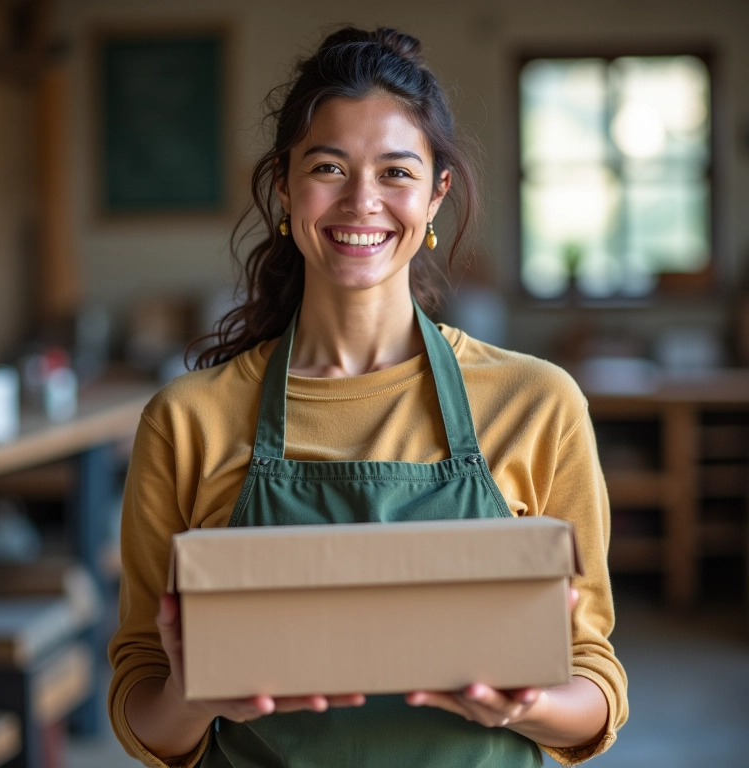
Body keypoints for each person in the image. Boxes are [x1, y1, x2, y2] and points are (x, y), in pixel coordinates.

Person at [108, 26, 628, 768]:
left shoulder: (538, 403)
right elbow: (140, 700)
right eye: (329, 167)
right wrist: (195, 696)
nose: (362, 202)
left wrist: (531, 705)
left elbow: (596, 683)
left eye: (395, 172)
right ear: (284, 187)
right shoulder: (188, 420)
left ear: (436, 195)